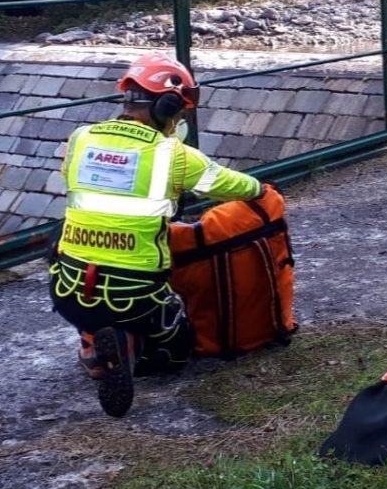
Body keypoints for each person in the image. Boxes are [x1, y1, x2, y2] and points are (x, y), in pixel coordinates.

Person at [49, 52, 264, 417]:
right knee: (175, 350)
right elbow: (238, 186)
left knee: (64, 241)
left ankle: (91, 344)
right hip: (133, 295)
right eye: (179, 112)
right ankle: (131, 346)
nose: (179, 120)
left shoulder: (80, 138)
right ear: (167, 107)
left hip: (68, 290)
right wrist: (263, 189)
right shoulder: (173, 154)